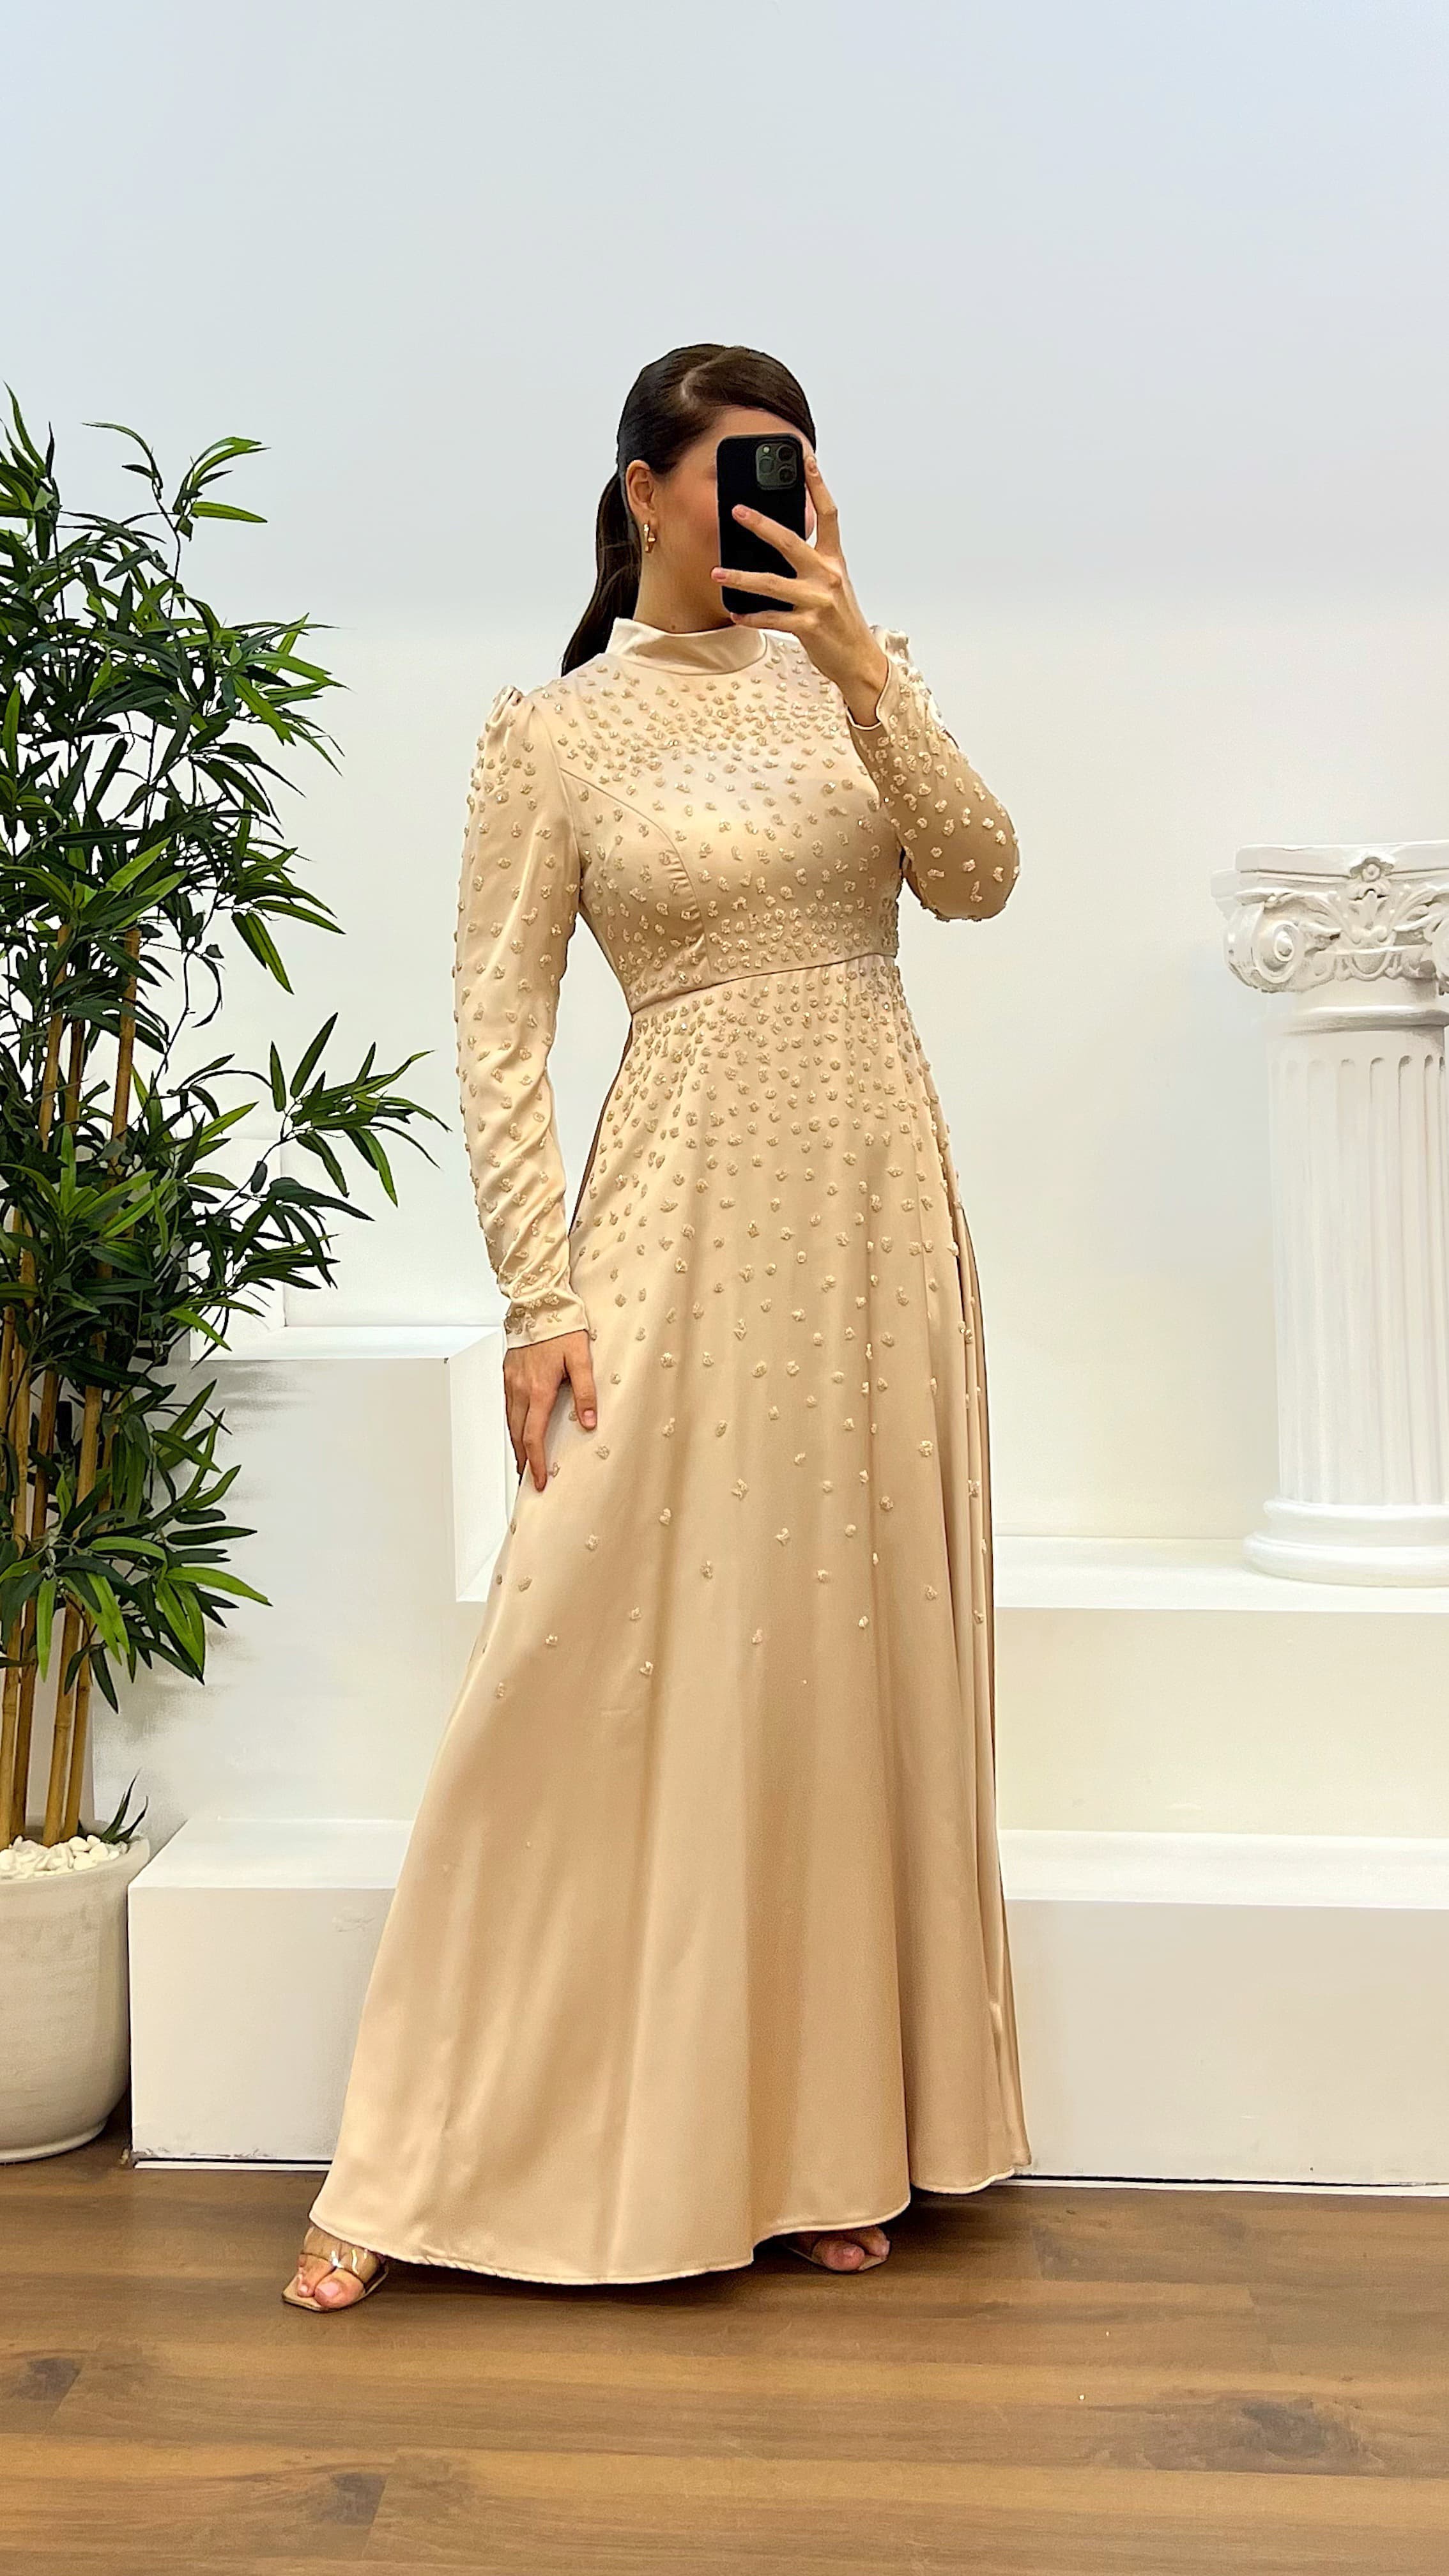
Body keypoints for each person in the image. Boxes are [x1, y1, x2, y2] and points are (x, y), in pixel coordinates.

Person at [283, 341, 1029, 2311]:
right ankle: (412, 2156)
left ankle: (816, 2144)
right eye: (735, 472)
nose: (773, 503)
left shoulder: (855, 680)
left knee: (835, 1660)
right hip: (676, 1215)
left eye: (798, 470)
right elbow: (496, 1021)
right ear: (642, 492)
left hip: (870, 1208)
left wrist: (860, 665)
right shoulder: (555, 732)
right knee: (569, 1645)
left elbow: (977, 879)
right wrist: (536, 1290)